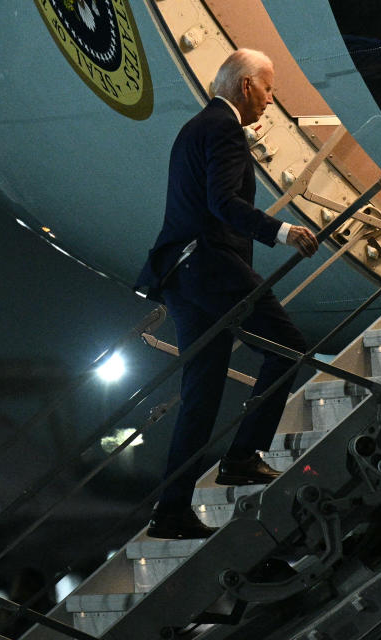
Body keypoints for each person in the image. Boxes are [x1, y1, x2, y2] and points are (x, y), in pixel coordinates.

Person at [134, 49, 319, 539]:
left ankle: (170, 511)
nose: (271, 99)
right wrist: (282, 232)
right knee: (288, 349)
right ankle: (242, 457)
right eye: (269, 88)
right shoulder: (223, 130)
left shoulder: (199, 127)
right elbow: (222, 202)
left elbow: (205, 190)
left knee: (201, 393)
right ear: (246, 87)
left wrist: (243, 145)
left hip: (179, 271)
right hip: (212, 264)